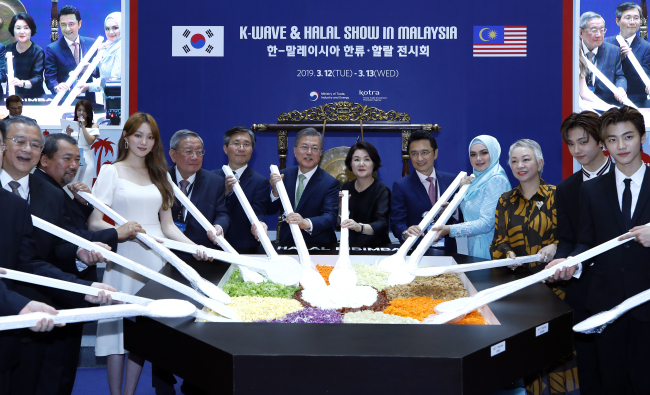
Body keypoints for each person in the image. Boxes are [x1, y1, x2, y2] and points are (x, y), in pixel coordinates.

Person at [88, 112, 209, 395]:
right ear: (127, 138)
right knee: (118, 334)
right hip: (124, 259)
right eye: (138, 135)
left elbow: (167, 226)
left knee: (143, 335)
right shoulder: (111, 171)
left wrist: (195, 247)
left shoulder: (160, 174)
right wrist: (122, 230)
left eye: (150, 137)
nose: (144, 142)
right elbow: (94, 221)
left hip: (155, 261)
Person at [0, 116, 115, 395]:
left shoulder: (48, 196)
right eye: (20, 141)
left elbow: (35, 257)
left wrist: (82, 279)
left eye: (35, 144)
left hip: (35, 311)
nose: (27, 149)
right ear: (2, 144)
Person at [548, 106, 650, 394]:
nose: (621, 146)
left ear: (642, 137)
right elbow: (585, 241)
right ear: (605, 144)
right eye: (613, 139)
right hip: (606, 306)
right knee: (610, 383)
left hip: (647, 305)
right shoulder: (591, 190)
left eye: (628, 137)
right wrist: (571, 263)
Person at [544, 111, 612, 395]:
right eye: (571, 144)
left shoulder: (627, 179)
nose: (577, 150)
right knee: (588, 370)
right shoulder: (566, 188)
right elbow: (568, 238)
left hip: (622, 288)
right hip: (582, 291)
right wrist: (562, 258)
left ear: (600, 141)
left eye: (583, 141)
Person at [432, 135, 511, 259]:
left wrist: (449, 229)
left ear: (494, 152)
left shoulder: (496, 179)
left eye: (484, 153)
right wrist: (453, 210)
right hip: (476, 246)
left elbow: (486, 224)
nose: (478, 159)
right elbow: (472, 214)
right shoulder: (475, 179)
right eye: (473, 154)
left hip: (490, 249)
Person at [268, 127, 339, 246]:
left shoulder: (330, 182)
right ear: (295, 151)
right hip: (288, 243)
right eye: (304, 147)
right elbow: (270, 210)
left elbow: (330, 216)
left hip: (319, 246)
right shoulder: (284, 175)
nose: (309, 152)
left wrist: (306, 223)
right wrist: (275, 192)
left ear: (320, 153)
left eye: (314, 148)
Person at [390, 130, 459, 251]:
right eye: (414, 153)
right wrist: (405, 232)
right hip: (415, 250)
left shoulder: (452, 181)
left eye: (425, 152)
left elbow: (464, 218)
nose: (419, 158)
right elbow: (396, 222)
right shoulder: (401, 185)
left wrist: (454, 212)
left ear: (435, 153)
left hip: (448, 251)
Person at [168, 129, 229, 248]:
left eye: (199, 152)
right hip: (166, 251)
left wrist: (219, 226)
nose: (195, 157)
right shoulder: (160, 179)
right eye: (189, 151)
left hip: (202, 253)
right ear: (173, 155)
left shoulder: (215, 182)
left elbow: (222, 213)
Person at [214, 126, 269, 251]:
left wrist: (259, 225)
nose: (241, 148)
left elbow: (258, 212)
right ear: (225, 148)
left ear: (252, 150)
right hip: (213, 247)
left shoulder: (260, 182)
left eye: (246, 144)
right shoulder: (211, 178)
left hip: (245, 249)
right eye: (236, 144)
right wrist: (224, 193)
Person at [339, 141, 391, 247]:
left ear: (374, 163)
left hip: (377, 248)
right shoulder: (345, 188)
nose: (361, 164)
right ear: (350, 163)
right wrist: (340, 209)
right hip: (350, 246)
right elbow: (338, 224)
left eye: (367, 159)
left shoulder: (382, 190)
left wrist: (360, 227)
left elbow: (381, 224)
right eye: (356, 159)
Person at [44, 5, 96, 102]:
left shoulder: (92, 44)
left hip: (89, 99)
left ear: (79, 24)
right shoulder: (52, 48)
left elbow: (100, 71)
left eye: (71, 24)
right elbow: (50, 77)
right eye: (63, 25)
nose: (67, 28)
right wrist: (56, 87)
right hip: (65, 99)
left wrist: (92, 70)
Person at [605, 2, 650, 107]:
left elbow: (645, 75)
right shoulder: (606, 44)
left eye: (636, 18)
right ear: (617, 21)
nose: (632, 22)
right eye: (628, 18)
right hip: (609, 102)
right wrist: (618, 59)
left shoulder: (647, 47)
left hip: (637, 102)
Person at [580, 11, 628, 105]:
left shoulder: (613, 51)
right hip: (578, 106)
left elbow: (620, 76)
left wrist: (621, 88)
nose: (599, 35)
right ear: (581, 32)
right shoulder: (573, 50)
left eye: (602, 30)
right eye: (594, 30)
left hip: (606, 106)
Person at [79, 12, 121, 94]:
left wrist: (89, 86)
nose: (111, 32)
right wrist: (90, 68)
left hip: (119, 98)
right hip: (108, 96)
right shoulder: (107, 45)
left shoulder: (122, 49)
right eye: (107, 29)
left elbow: (113, 82)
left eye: (115, 28)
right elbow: (102, 73)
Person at [6, 13, 45, 98]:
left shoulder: (38, 51)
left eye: (26, 28)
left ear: (31, 30)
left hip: (34, 96)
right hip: (12, 95)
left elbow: (38, 78)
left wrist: (21, 83)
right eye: (18, 28)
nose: (22, 31)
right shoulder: (8, 49)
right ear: (13, 30)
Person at [64, 99, 99, 186]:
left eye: (84, 110)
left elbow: (90, 141)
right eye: (79, 110)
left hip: (86, 156)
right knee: (71, 183)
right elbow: (64, 144)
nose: (81, 113)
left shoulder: (94, 126)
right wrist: (68, 134)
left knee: (85, 182)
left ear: (89, 112)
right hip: (72, 156)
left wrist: (82, 127)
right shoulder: (70, 125)